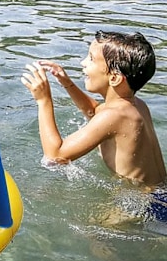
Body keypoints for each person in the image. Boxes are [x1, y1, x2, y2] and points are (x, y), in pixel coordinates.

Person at [21, 30, 166, 221]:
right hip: (161, 196)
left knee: (96, 239)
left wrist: (44, 101)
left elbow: (55, 156)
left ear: (114, 78)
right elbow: (95, 111)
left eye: (91, 59)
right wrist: (67, 84)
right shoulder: (135, 105)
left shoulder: (114, 116)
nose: (83, 63)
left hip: (144, 205)